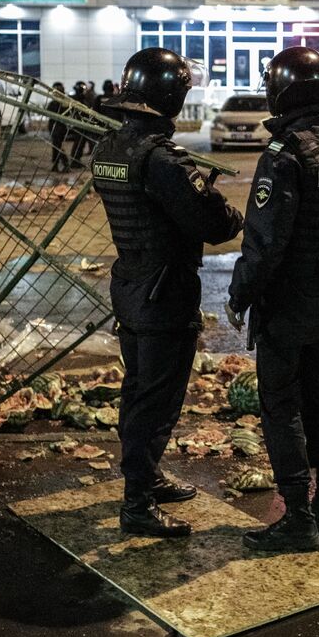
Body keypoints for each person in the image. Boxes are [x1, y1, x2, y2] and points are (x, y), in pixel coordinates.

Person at [226, 47, 319, 553]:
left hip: (286, 305)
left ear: (282, 92)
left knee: (281, 404)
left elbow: (264, 245)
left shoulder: (284, 155)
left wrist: (239, 295)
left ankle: (296, 515)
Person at [91, 48, 244, 537]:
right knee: (156, 401)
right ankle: (136, 503)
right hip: (165, 291)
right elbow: (214, 225)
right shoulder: (162, 159)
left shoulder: (110, 149)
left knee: (138, 389)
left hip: (131, 283)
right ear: (171, 96)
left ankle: (148, 477)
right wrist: (216, 201)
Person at [48, 81, 71, 172]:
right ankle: (56, 165)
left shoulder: (58, 103)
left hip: (57, 127)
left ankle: (65, 164)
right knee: (56, 146)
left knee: (58, 146)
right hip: (58, 126)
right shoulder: (64, 102)